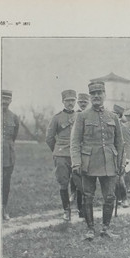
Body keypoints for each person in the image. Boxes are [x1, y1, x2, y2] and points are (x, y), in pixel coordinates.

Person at [70, 80, 124, 240]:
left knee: (110, 196)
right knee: (88, 196)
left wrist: (121, 163)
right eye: (93, 94)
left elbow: (119, 142)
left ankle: (106, 229)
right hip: (89, 162)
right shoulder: (82, 116)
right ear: (90, 96)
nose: (96, 96)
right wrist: (76, 162)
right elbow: (75, 141)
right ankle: (90, 229)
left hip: (109, 162)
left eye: (99, 93)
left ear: (105, 95)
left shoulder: (113, 116)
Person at [46, 89, 77, 222]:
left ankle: (80, 208)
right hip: (62, 155)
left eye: (72, 100)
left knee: (79, 181)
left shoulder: (80, 116)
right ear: (63, 101)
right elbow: (49, 137)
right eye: (68, 100)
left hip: (76, 154)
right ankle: (66, 210)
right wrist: (57, 151)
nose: (70, 103)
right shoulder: (57, 118)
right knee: (63, 183)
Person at [1, 89, 19, 221]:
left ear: (10, 101)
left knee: (6, 183)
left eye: (7, 99)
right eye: (3, 98)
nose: (5, 102)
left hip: (8, 155)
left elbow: (14, 136)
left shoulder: (14, 117)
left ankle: (3, 209)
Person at [113, 104, 130, 208]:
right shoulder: (109, 126)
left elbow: (129, 144)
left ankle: (124, 199)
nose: (114, 116)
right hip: (111, 156)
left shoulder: (123, 128)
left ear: (120, 116)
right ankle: (118, 198)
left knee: (120, 179)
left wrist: (127, 159)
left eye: (116, 115)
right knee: (113, 180)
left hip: (121, 156)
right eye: (113, 114)